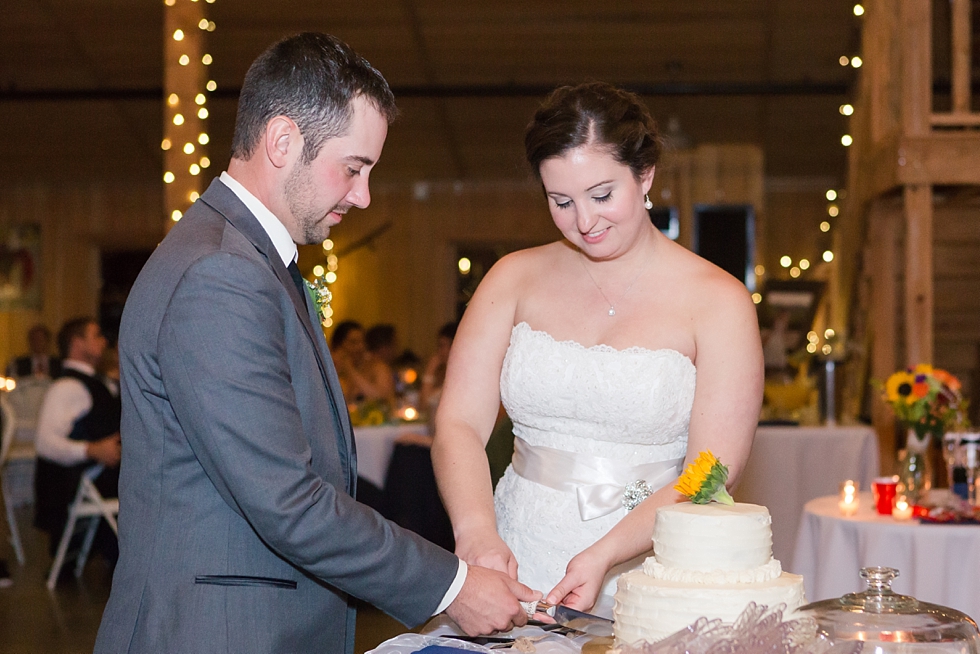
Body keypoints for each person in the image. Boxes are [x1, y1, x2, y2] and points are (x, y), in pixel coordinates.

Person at [94, 33, 534, 654]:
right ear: (282, 142)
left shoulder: (248, 259)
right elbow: (289, 502)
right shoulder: (220, 275)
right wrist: (452, 587)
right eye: (353, 168)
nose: (363, 195)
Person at [431, 82, 764, 617]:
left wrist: (606, 553)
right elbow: (460, 425)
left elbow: (712, 468)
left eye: (602, 195)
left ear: (645, 175)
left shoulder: (718, 299)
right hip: (518, 550)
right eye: (560, 202)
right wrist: (476, 533)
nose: (584, 222)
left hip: (654, 561)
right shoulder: (513, 278)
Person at [33, 317, 121, 561]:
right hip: (83, 484)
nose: (104, 341)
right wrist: (93, 450)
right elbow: (45, 443)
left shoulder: (94, 382)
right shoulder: (68, 387)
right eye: (96, 336)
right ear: (77, 343)